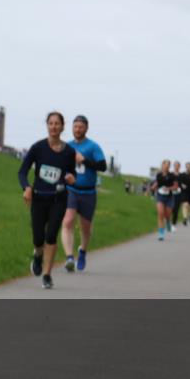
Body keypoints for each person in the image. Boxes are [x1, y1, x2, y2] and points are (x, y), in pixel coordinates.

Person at [18, 112, 77, 289]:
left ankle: (47, 274)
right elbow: (22, 172)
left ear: (62, 126)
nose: (53, 127)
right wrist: (27, 187)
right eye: (50, 123)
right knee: (38, 238)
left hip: (58, 198)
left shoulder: (69, 151)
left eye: (57, 124)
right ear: (47, 125)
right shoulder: (37, 148)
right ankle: (37, 254)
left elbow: (71, 172)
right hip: (38, 197)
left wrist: (72, 178)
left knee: (51, 235)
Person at [60, 115, 106, 272]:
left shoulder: (93, 146)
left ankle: (83, 251)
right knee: (68, 221)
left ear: (86, 128)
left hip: (88, 192)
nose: (77, 129)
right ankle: (69, 258)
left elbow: (103, 166)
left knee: (85, 228)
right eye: (75, 127)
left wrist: (84, 160)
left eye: (80, 127)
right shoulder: (66, 146)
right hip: (71, 190)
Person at [150, 159, 180, 241]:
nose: (165, 167)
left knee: (167, 215)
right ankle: (161, 234)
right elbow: (158, 183)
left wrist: (168, 188)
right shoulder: (159, 175)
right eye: (164, 165)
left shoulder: (172, 176)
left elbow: (176, 187)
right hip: (160, 196)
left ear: (169, 167)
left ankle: (168, 223)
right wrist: (153, 187)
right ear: (162, 165)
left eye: (167, 166)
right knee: (160, 214)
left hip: (169, 197)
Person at [170, 161, 183, 231]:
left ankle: (173, 224)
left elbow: (182, 184)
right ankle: (168, 222)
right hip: (170, 193)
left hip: (178, 194)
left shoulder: (181, 175)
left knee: (176, 209)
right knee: (170, 209)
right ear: (173, 166)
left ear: (179, 167)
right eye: (175, 165)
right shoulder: (171, 174)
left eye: (177, 165)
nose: (176, 167)